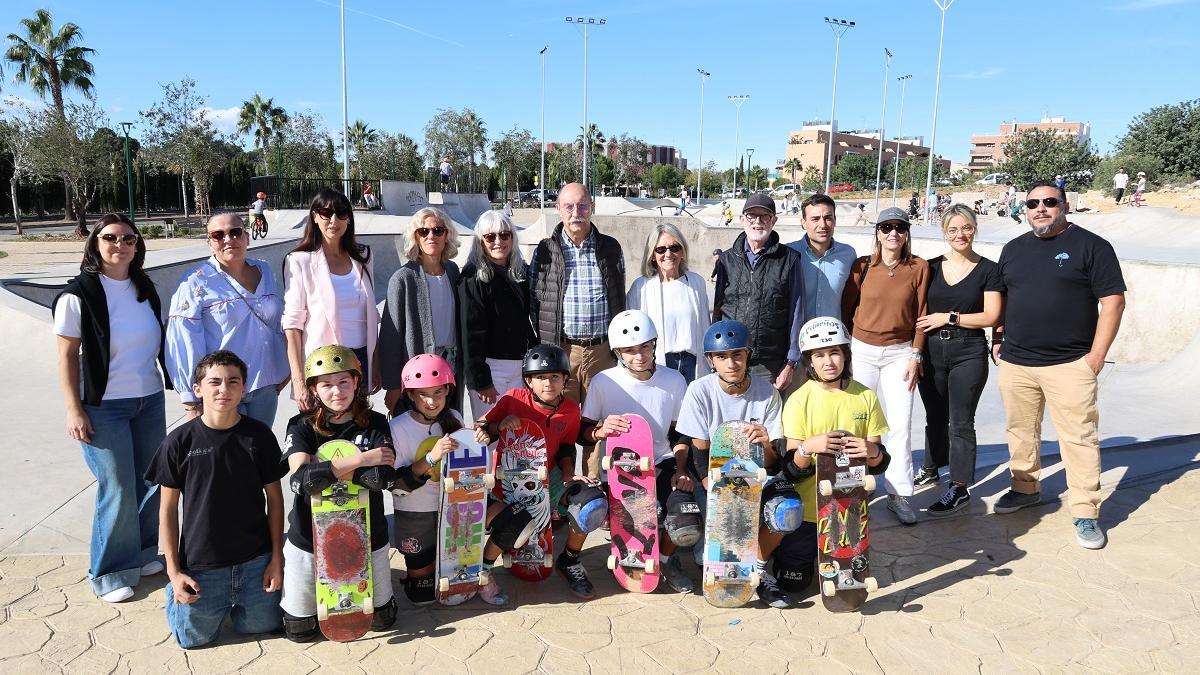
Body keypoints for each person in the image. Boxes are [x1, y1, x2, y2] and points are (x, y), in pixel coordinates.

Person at [991, 180, 1126, 549]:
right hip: (1017, 362)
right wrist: (998, 338)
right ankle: (1024, 488)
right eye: (1032, 203)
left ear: (1065, 206)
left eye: (1049, 202)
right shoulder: (1014, 249)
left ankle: (1085, 512)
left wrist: (1095, 357)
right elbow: (1001, 298)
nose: (1040, 208)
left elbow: (1113, 303)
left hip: (1070, 364)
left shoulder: (1092, 246)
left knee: (1079, 439)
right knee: (1020, 432)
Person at [54, 214, 172, 603]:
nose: (119, 244)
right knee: (118, 486)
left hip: (148, 398)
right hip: (103, 406)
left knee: (150, 480)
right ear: (95, 244)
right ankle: (109, 571)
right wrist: (74, 409)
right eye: (110, 238)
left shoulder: (144, 288)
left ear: (137, 246)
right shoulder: (78, 294)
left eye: (127, 238)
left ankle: (140, 553)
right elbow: (67, 356)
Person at [146, 350, 285, 648]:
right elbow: (167, 511)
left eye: (233, 381)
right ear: (198, 389)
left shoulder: (259, 437)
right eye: (214, 382)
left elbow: (275, 499)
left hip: (255, 563)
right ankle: (176, 597)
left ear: (244, 388)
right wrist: (174, 572)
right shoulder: (178, 443)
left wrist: (276, 558)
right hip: (203, 566)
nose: (224, 389)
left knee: (262, 626)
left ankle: (237, 604)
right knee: (192, 640)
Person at [279, 346, 398, 642]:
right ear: (313, 389)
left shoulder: (376, 422)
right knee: (300, 630)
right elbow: (300, 481)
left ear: (356, 383)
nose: (337, 392)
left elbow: (381, 478)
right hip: (309, 536)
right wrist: (361, 459)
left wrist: (324, 468)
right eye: (327, 384)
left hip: (368, 533)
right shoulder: (301, 425)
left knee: (383, 620)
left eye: (344, 382)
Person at [766, 317, 890, 599]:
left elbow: (880, 462)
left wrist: (871, 451)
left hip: (849, 509)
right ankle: (790, 555)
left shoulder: (865, 397)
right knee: (794, 583)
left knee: (844, 579)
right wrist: (808, 448)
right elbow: (791, 470)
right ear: (810, 362)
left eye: (835, 352)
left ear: (846, 355)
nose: (828, 361)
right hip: (808, 511)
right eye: (819, 355)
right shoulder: (799, 400)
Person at [674, 320, 785, 606]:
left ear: (748, 354)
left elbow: (773, 463)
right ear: (711, 360)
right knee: (708, 554)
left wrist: (766, 444)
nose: (731, 363)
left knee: (787, 512)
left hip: (757, 475)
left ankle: (759, 571)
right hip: (712, 475)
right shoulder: (700, 390)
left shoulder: (768, 393)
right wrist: (714, 493)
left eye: (737, 354)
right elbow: (700, 452)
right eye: (722, 356)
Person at [582, 311, 694, 592]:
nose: (639, 356)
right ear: (618, 352)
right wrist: (600, 430)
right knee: (645, 514)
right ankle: (632, 555)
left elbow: (679, 433)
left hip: (663, 459)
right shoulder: (603, 382)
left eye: (645, 346)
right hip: (621, 468)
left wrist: (681, 470)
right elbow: (581, 434)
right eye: (630, 350)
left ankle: (666, 561)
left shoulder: (674, 380)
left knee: (684, 518)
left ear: (654, 344)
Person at [479, 345, 602, 599]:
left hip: (550, 474)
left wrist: (569, 474)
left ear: (565, 379)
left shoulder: (570, 410)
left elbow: (567, 447)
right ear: (528, 381)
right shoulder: (512, 399)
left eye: (555, 377)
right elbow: (482, 429)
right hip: (509, 480)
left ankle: (569, 560)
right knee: (516, 524)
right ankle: (484, 570)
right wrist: (498, 426)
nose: (549, 383)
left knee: (590, 504)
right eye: (541, 378)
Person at [387, 354, 507, 606]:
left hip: (454, 508)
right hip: (416, 514)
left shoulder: (453, 417)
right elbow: (396, 486)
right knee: (422, 597)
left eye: (438, 392)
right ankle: (423, 570)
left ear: (448, 391)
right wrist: (431, 457)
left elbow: (470, 466)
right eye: (423, 394)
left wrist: (478, 443)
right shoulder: (397, 427)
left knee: (512, 518)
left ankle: (483, 569)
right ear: (410, 395)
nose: (432, 401)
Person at [529, 182, 626, 475]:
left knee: (598, 425)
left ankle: (594, 492)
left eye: (583, 206)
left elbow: (618, 294)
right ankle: (564, 492)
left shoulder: (610, 247)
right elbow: (534, 301)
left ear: (592, 208)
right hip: (563, 352)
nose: (576, 213)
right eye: (569, 206)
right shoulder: (545, 250)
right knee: (562, 424)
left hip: (601, 352)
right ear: (558, 209)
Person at [912, 206, 1003, 515]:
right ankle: (931, 467)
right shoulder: (930, 267)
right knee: (934, 416)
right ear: (944, 233)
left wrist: (949, 317)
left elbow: (991, 315)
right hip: (932, 351)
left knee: (961, 420)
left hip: (969, 350)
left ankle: (959, 486)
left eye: (966, 228)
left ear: (974, 229)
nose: (960, 235)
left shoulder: (989, 269)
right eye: (953, 230)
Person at [841, 206, 929, 525]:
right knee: (857, 423)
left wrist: (916, 354)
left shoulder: (919, 267)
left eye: (900, 228)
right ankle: (852, 489)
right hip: (862, 350)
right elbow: (846, 310)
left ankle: (899, 494)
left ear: (907, 233)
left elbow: (922, 314)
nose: (894, 233)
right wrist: (846, 352)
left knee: (899, 425)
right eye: (887, 227)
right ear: (877, 231)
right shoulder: (862, 266)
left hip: (900, 354)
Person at [167, 213, 289, 427]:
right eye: (218, 235)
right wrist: (192, 401)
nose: (228, 239)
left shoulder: (265, 270)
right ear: (209, 242)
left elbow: (277, 324)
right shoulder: (195, 282)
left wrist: (286, 371)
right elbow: (184, 339)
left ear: (247, 236)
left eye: (235, 232)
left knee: (257, 454)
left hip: (265, 386)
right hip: (222, 388)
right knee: (225, 457)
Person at [282, 189, 378, 410]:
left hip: (359, 359)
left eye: (341, 213)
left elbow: (371, 316)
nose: (334, 220)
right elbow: (292, 326)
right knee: (323, 432)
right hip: (323, 364)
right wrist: (298, 382)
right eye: (326, 213)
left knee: (358, 431)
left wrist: (375, 364)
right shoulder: (299, 261)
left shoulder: (363, 256)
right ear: (315, 217)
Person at [713, 193, 805, 391]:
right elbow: (718, 310)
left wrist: (790, 362)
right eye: (751, 216)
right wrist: (715, 353)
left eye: (765, 216)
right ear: (742, 219)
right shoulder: (727, 260)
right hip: (731, 358)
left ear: (774, 220)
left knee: (764, 421)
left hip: (769, 364)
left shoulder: (789, 260)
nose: (757, 222)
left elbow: (796, 313)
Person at [380, 207, 462, 414]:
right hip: (418, 370)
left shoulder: (452, 271)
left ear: (447, 235)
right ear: (415, 237)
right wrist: (392, 384)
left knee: (449, 427)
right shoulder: (403, 278)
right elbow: (390, 336)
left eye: (438, 230)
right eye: (423, 232)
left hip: (449, 366)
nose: (431, 236)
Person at [458, 211, 537, 417]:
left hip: (520, 366)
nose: (498, 241)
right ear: (480, 241)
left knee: (519, 437)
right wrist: (481, 381)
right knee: (491, 437)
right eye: (490, 236)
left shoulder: (520, 273)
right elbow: (470, 334)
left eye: (504, 235)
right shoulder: (472, 278)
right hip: (491, 369)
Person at [626, 223, 711, 383]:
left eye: (674, 248)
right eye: (661, 249)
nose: (668, 254)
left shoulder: (696, 282)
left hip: (692, 364)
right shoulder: (641, 287)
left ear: (682, 251)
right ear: (652, 254)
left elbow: (705, 325)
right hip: (658, 364)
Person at [788, 193, 857, 324]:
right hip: (798, 339)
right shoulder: (789, 254)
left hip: (835, 339)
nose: (823, 225)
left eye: (828, 218)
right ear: (803, 223)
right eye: (815, 219)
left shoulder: (848, 254)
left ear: (835, 221)